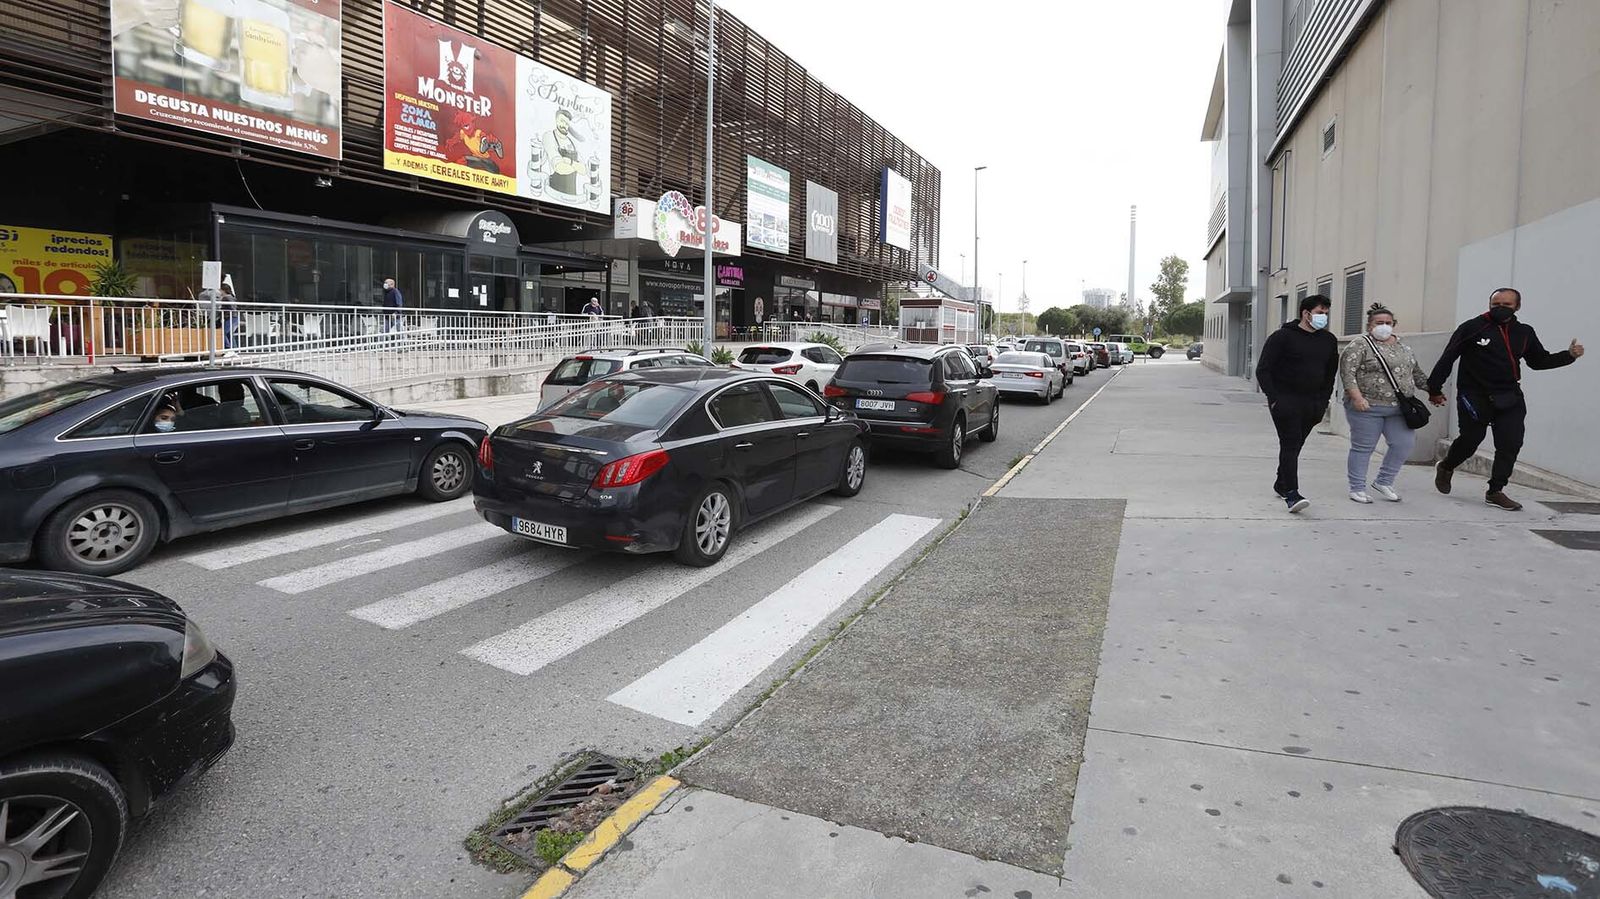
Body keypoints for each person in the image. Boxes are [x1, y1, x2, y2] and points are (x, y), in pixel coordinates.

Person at [1428, 287, 1585, 511]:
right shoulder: (1472, 327)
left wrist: (1568, 356)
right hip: (1474, 394)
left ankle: (1495, 491)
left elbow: (1538, 361)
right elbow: (1448, 357)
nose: (1500, 308)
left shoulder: (1524, 332)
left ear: (1517, 306)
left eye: (1507, 305)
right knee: (1472, 438)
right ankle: (1446, 466)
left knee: (1511, 443)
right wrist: (1434, 388)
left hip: (1509, 395)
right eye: (1496, 304)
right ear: (1489, 305)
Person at [1255, 294, 1339, 513]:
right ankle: (1292, 494)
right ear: (1306, 313)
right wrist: (1274, 398)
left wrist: (1324, 401)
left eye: (1326, 313)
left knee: (1297, 444)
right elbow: (1263, 370)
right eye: (1320, 313)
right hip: (1286, 401)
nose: (1324, 317)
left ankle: (1281, 482)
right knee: (1290, 443)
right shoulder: (1282, 337)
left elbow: (1330, 374)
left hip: (1314, 403)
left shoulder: (1328, 340)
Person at [1339, 303, 1430, 503]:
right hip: (1367, 407)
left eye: (1388, 323)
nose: (1384, 326)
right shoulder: (1359, 345)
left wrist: (1433, 390)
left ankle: (1384, 481)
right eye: (1379, 322)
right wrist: (1357, 397)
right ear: (1369, 325)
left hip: (1398, 408)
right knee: (1364, 447)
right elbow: (1347, 373)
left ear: (1394, 324)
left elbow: (1415, 373)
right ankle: (1357, 487)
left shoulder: (1403, 347)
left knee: (1403, 444)